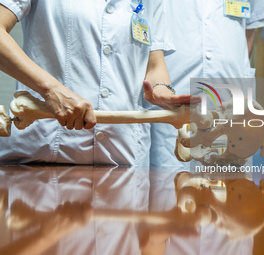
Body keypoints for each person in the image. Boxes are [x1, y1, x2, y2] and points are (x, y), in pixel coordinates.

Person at [0, 0, 195, 165]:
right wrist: (51, 89)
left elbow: (154, 66)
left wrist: (163, 91)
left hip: (124, 159)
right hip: (43, 156)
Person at [149, 0, 264, 168]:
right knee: (171, 183)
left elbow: (249, 28)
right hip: (176, 90)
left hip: (230, 96)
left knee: (233, 184)